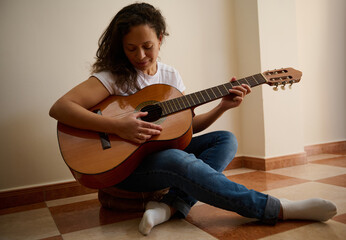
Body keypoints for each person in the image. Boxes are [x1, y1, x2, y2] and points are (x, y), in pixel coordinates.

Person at [49, 2, 337, 236]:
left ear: (160, 39)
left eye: (147, 46)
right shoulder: (112, 77)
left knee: (225, 139)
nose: (140, 55)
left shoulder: (170, 77)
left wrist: (222, 107)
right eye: (130, 48)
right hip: (128, 167)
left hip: (163, 152)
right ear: (120, 47)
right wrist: (117, 125)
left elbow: (183, 129)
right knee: (178, 160)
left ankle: (171, 206)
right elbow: (61, 108)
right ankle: (277, 208)